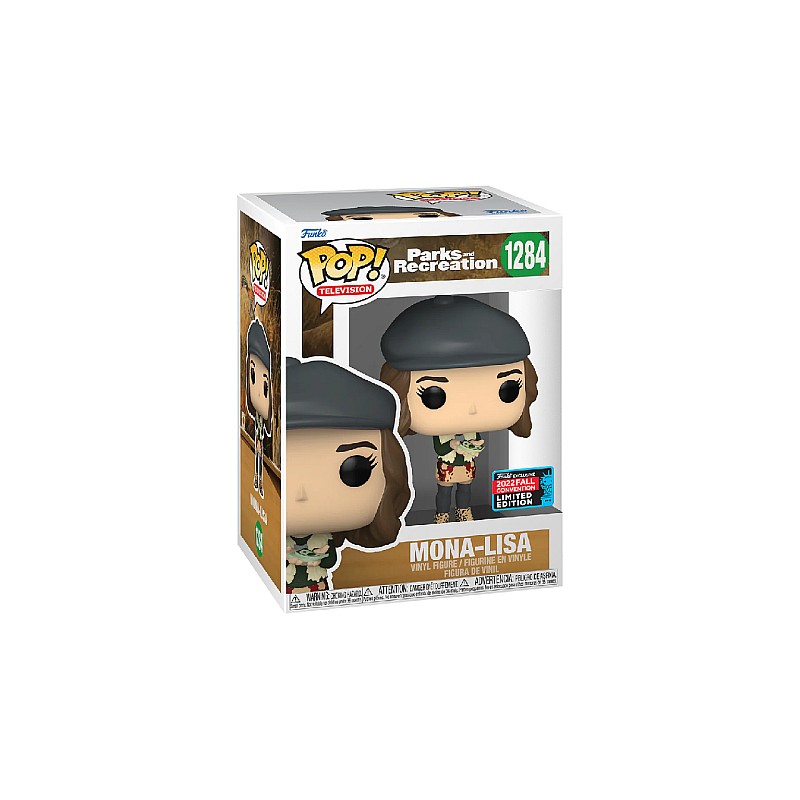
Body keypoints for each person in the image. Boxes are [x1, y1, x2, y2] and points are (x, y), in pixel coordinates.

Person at [379, 296, 538, 523]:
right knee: (444, 492)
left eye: (507, 389)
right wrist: (455, 445)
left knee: (465, 490)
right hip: (447, 464)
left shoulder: (472, 430)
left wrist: (475, 445)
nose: (472, 409)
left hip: (467, 464)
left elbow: (477, 440)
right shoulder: (442, 433)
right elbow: (441, 446)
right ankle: (442, 514)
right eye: (434, 395)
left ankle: (464, 511)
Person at [285, 358, 411, 593]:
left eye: (355, 470)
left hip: (318, 586)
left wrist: (321, 554)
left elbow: (331, 559)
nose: (302, 494)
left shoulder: (323, 537)